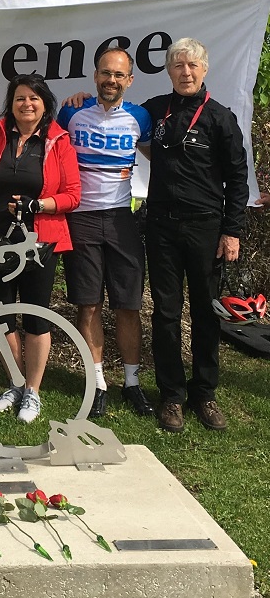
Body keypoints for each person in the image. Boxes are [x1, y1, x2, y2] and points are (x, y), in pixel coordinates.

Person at [0, 73, 81, 423]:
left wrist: (38, 205)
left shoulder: (58, 141)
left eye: (34, 98)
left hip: (39, 244)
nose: (27, 104)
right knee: (1, 317)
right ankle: (16, 381)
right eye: (20, 98)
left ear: (45, 104)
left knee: (36, 317)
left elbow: (73, 195)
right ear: (10, 104)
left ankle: (34, 392)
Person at [141, 37, 249, 433]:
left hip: (206, 226)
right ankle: (171, 396)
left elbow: (238, 178)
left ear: (205, 69)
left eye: (192, 66)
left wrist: (231, 231)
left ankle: (204, 392)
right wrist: (78, 100)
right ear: (168, 70)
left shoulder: (220, 118)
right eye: (178, 66)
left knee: (205, 312)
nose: (185, 72)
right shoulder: (154, 110)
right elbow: (114, 115)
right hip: (162, 227)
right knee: (166, 312)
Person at [56, 48, 154, 419]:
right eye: (105, 73)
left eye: (119, 75)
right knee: (89, 303)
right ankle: (97, 383)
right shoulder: (71, 112)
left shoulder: (140, 117)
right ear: (95, 76)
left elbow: (153, 153)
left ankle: (132, 383)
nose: (111, 80)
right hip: (80, 217)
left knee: (128, 305)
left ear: (129, 80)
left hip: (120, 219)